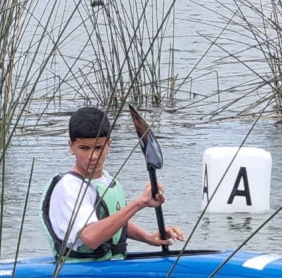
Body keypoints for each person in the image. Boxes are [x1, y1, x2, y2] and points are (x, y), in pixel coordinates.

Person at [40, 107, 185, 261]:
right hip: (79, 271)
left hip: (110, 265)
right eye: (84, 148)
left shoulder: (108, 181)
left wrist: (149, 238)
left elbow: (114, 222)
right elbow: (91, 238)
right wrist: (139, 203)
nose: (92, 156)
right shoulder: (69, 186)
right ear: (71, 146)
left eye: (98, 147)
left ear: (109, 144)